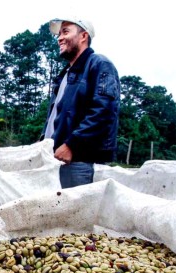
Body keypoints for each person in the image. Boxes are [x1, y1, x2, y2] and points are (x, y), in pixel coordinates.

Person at [42, 18, 120, 188]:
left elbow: (103, 112)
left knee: (78, 214)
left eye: (65, 32)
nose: (59, 38)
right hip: (56, 161)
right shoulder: (66, 75)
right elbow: (57, 118)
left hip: (79, 162)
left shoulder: (99, 64)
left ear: (83, 36)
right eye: (59, 34)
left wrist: (71, 145)